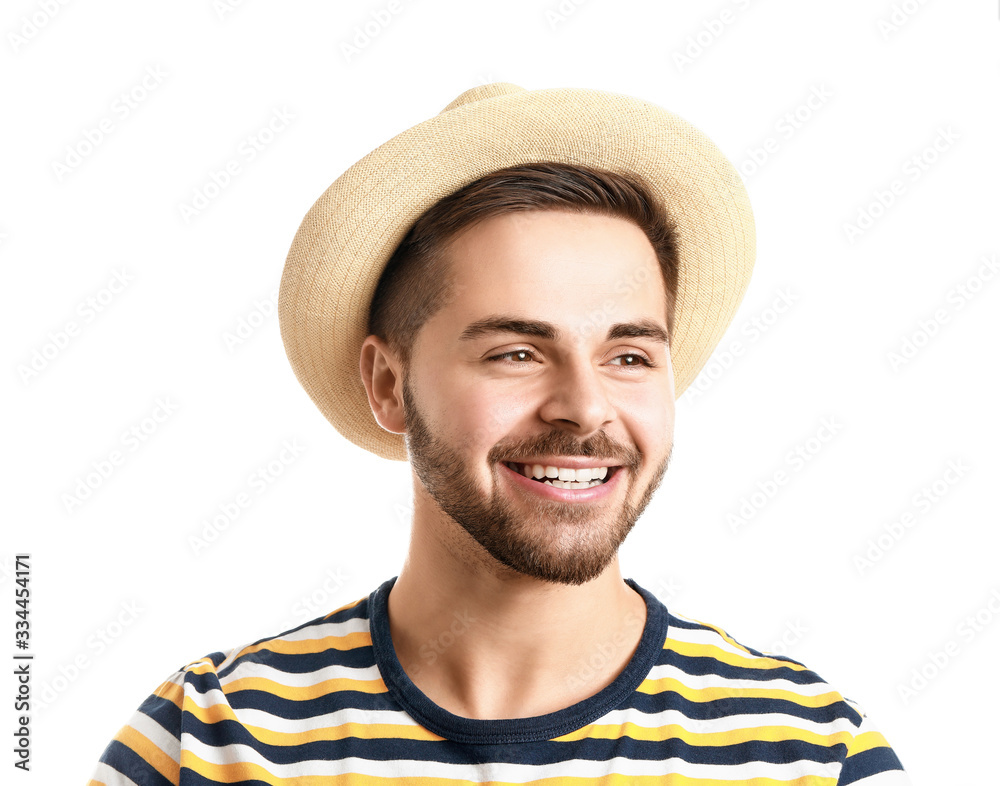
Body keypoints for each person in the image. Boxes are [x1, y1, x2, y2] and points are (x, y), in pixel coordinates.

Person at [89, 83, 910, 784]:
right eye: (517, 352)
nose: (585, 409)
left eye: (627, 354)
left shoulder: (809, 754)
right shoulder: (210, 743)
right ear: (388, 384)